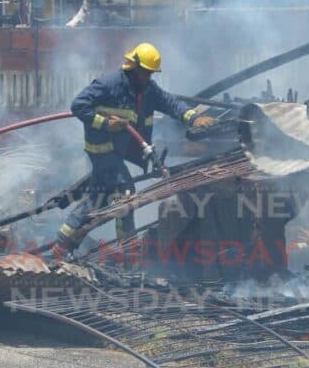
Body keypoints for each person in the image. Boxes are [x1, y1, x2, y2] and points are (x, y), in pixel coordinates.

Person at [55, 42, 215, 254]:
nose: (149, 77)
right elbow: (78, 105)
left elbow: (171, 103)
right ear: (134, 67)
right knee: (125, 192)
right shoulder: (109, 84)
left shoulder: (148, 90)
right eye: (146, 72)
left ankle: (62, 243)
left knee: (98, 197)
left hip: (119, 151)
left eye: (151, 73)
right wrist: (106, 123)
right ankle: (128, 250)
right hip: (102, 149)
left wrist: (194, 118)